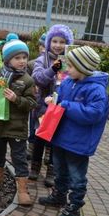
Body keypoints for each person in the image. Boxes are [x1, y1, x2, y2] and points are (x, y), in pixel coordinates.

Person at [38, 46, 106, 216]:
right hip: (60, 137)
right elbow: (59, 99)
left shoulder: (96, 90)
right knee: (60, 170)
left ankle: (74, 207)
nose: (67, 69)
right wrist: (52, 101)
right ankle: (59, 196)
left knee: (77, 176)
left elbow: (93, 114)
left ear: (83, 68)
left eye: (72, 66)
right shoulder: (68, 82)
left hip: (79, 143)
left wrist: (64, 104)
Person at [0, 35, 37, 206]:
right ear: (7, 59)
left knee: (18, 156)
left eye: (24, 57)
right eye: (17, 58)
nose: (22, 61)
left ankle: (22, 189)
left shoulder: (27, 80)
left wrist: (16, 99)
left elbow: (32, 103)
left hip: (16, 126)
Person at [31, 24, 74, 187]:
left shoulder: (70, 60)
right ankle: (35, 166)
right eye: (54, 41)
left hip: (61, 107)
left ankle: (51, 169)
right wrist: (52, 69)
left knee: (54, 140)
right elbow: (37, 79)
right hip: (42, 106)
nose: (58, 45)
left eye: (62, 42)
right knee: (40, 137)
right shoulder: (43, 59)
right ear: (49, 42)